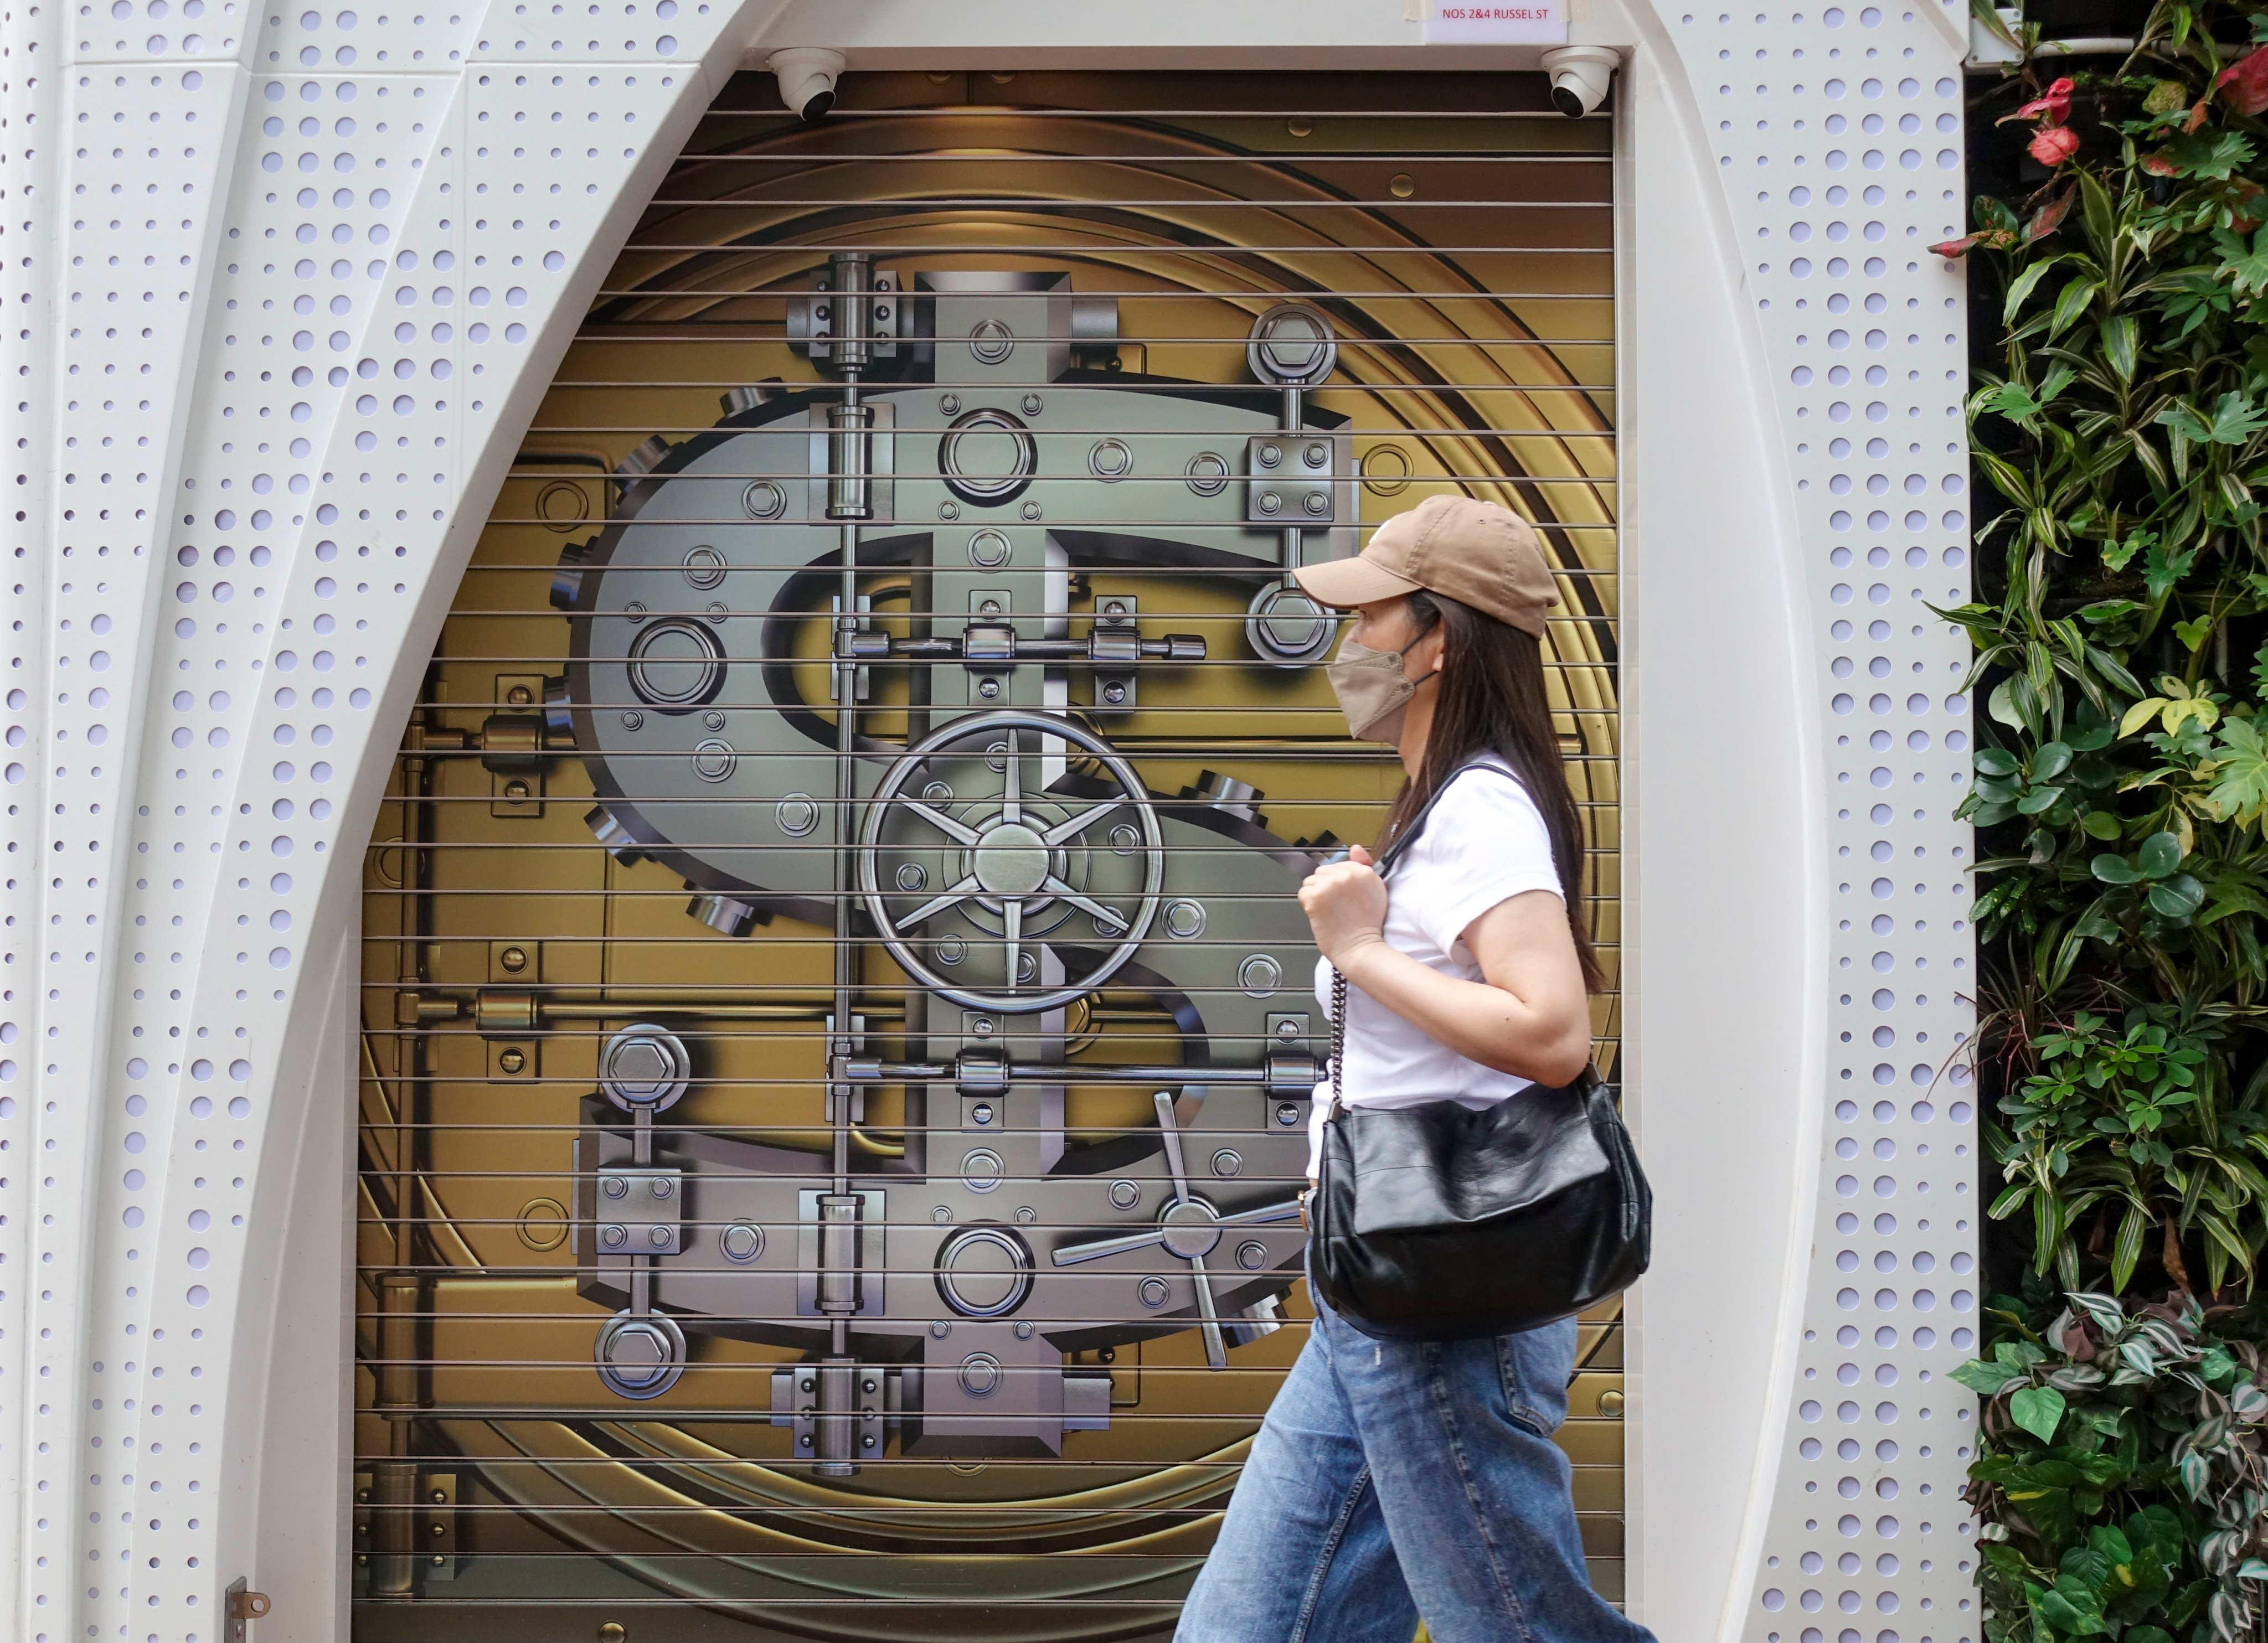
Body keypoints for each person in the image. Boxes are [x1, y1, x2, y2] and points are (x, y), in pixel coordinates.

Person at [1176, 495, 1654, 1643]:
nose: (1349, 644)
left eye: (1369, 615)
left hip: (1442, 1296)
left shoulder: (1481, 804)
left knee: (1515, 1625)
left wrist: (1355, 950)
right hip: (1381, 1287)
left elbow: (1550, 1032)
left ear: (1435, 637)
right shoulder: (1443, 808)